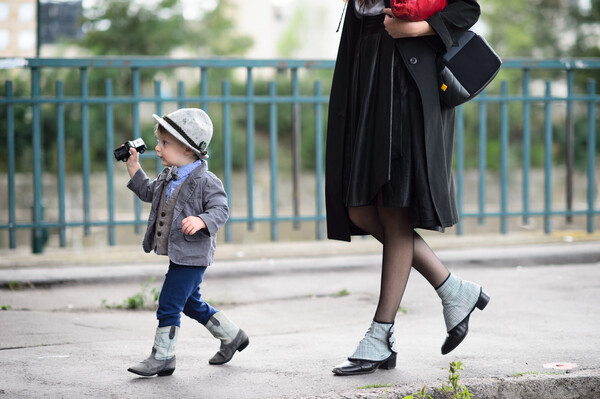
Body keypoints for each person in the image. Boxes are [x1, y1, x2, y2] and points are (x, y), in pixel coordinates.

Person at [325, 0, 489, 376]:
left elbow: (466, 8)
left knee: (394, 206)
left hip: (405, 82)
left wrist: (420, 28)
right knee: (360, 209)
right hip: (364, 78)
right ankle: (453, 289)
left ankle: (381, 334)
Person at [124, 108, 249, 377]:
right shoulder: (169, 175)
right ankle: (233, 336)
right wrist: (133, 166)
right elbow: (148, 192)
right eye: (158, 142)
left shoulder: (206, 181)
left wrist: (202, 221)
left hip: (193, 256)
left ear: (189, 150)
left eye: (164, 143)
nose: (157, 149)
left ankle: (163, 356)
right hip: (179, 254)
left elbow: (221, 209)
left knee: (169, 302)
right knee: (191, 303)